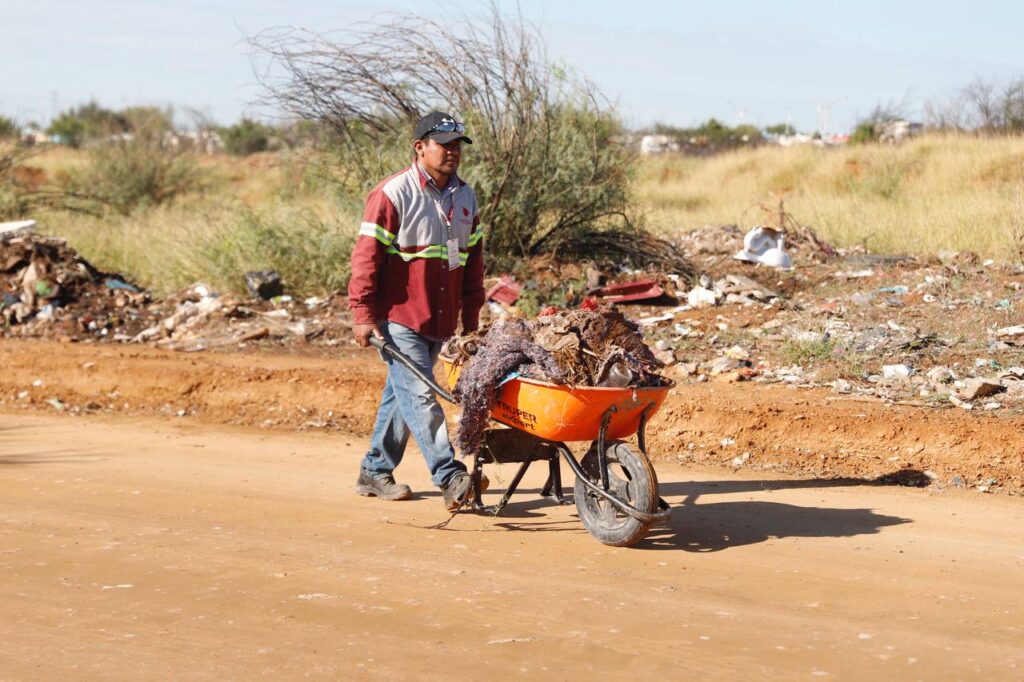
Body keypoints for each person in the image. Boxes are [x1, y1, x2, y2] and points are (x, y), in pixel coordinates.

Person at [348, 111, 485, 511]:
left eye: (458, 144)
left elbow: (472, 262)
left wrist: (471, 321)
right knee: (421, 395)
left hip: (439, 320)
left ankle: (374, 471)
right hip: (398, 319)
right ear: (420, 147)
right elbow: (366, 259)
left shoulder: (466, 196)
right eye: (445, 144)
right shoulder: (393, 193)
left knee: (402, 395)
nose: (453, 152)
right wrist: (362, 314)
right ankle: (450, 476)